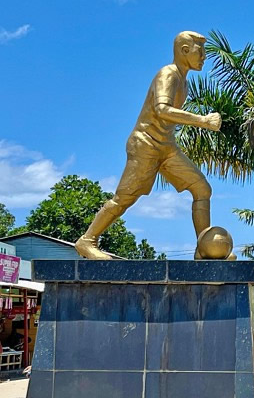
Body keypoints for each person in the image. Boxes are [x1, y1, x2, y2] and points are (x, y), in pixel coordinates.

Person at [74, 32, 230, 260]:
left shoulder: (183, 81)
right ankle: (86, 241)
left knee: (201, 189)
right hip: (146, 145)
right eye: (201, 51)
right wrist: (202, 121)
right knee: (123, 198)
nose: (204, 56)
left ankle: (202, 250)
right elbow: (162, 110)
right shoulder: (168, 74)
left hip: (166, 147)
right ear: (185, 50)